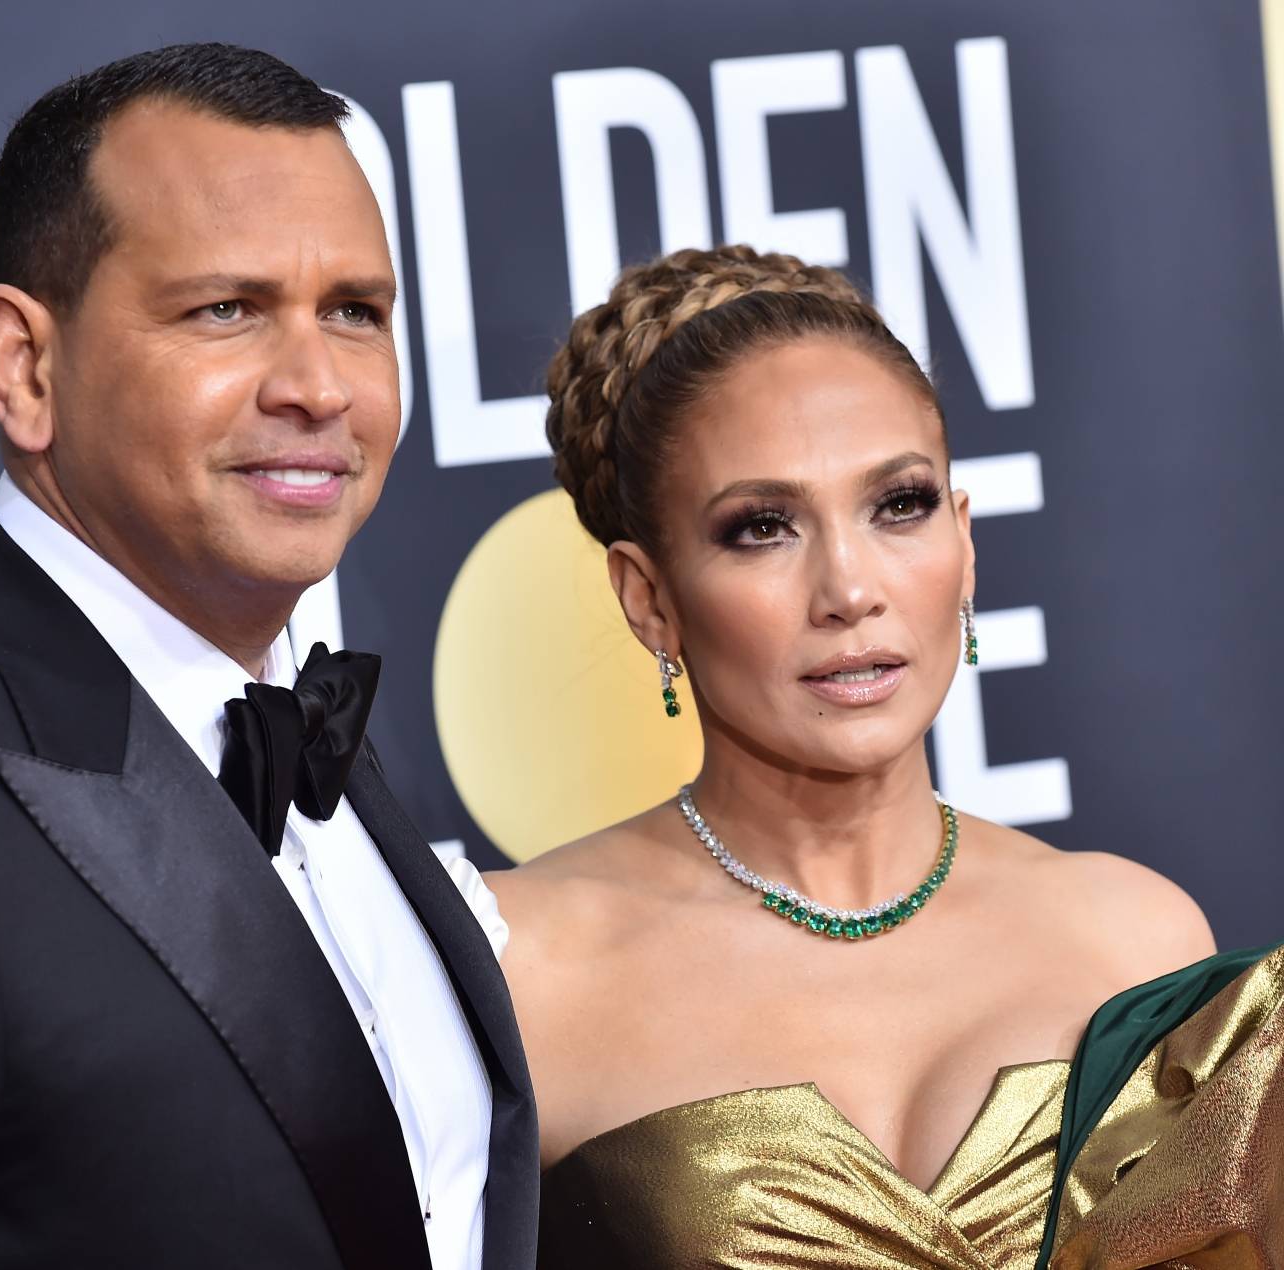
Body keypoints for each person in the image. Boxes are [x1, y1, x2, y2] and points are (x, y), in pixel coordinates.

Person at [0, 43, 535, 1270]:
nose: (317, 386)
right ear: (24, 368)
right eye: (224, 310)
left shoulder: (305, 718)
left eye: (354, 311)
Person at [484, 245, 1283, 1266]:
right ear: (649, 599)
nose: (848, 588)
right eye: (761, 527)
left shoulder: (1133, 938)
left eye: (896, 504)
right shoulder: (522, 968)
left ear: (964, 542)